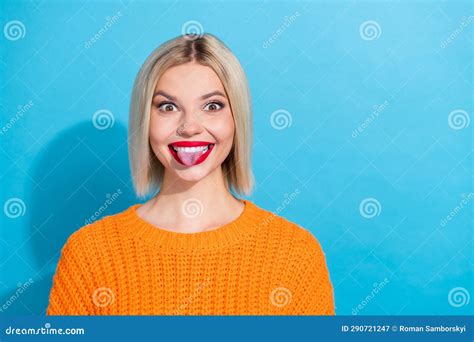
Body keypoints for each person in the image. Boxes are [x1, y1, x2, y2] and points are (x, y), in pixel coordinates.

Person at [46, 33, 335, 315]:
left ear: (237, 120)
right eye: (168, 107)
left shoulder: (295, 254)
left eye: (212, 106)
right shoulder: (90, 253)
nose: (189, 127)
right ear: (146, 121)